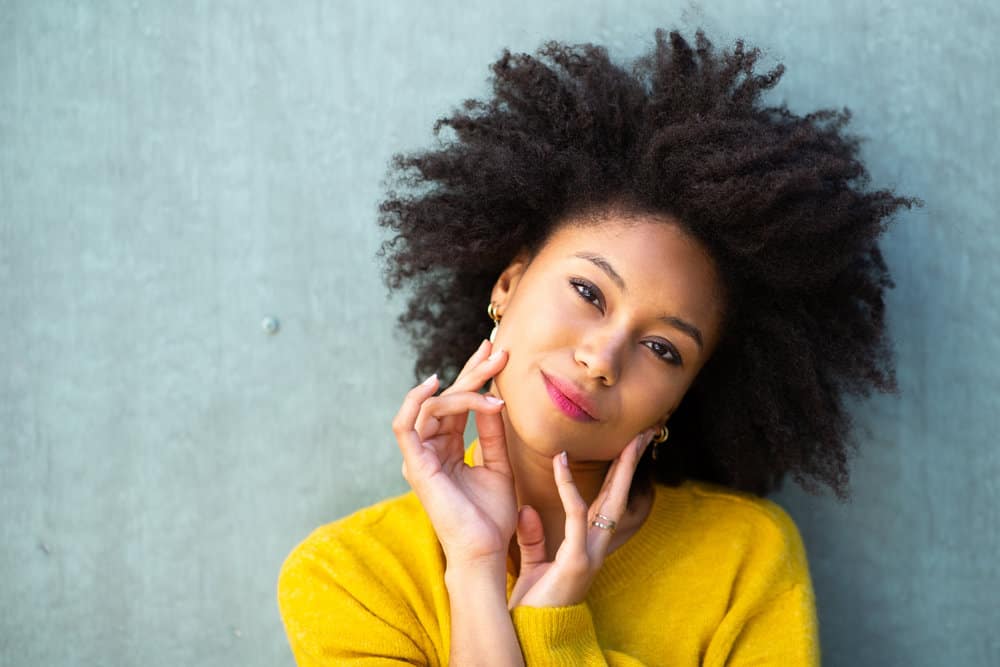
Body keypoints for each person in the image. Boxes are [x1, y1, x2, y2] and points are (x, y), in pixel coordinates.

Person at [277, 28, 917, 665]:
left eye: (664, 350)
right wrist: (473, 569)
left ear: (681, 399)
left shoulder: (744, 559)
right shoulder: (347, 575)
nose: (602, 359)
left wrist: (555, 633)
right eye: (588, 291)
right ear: (508, 284)